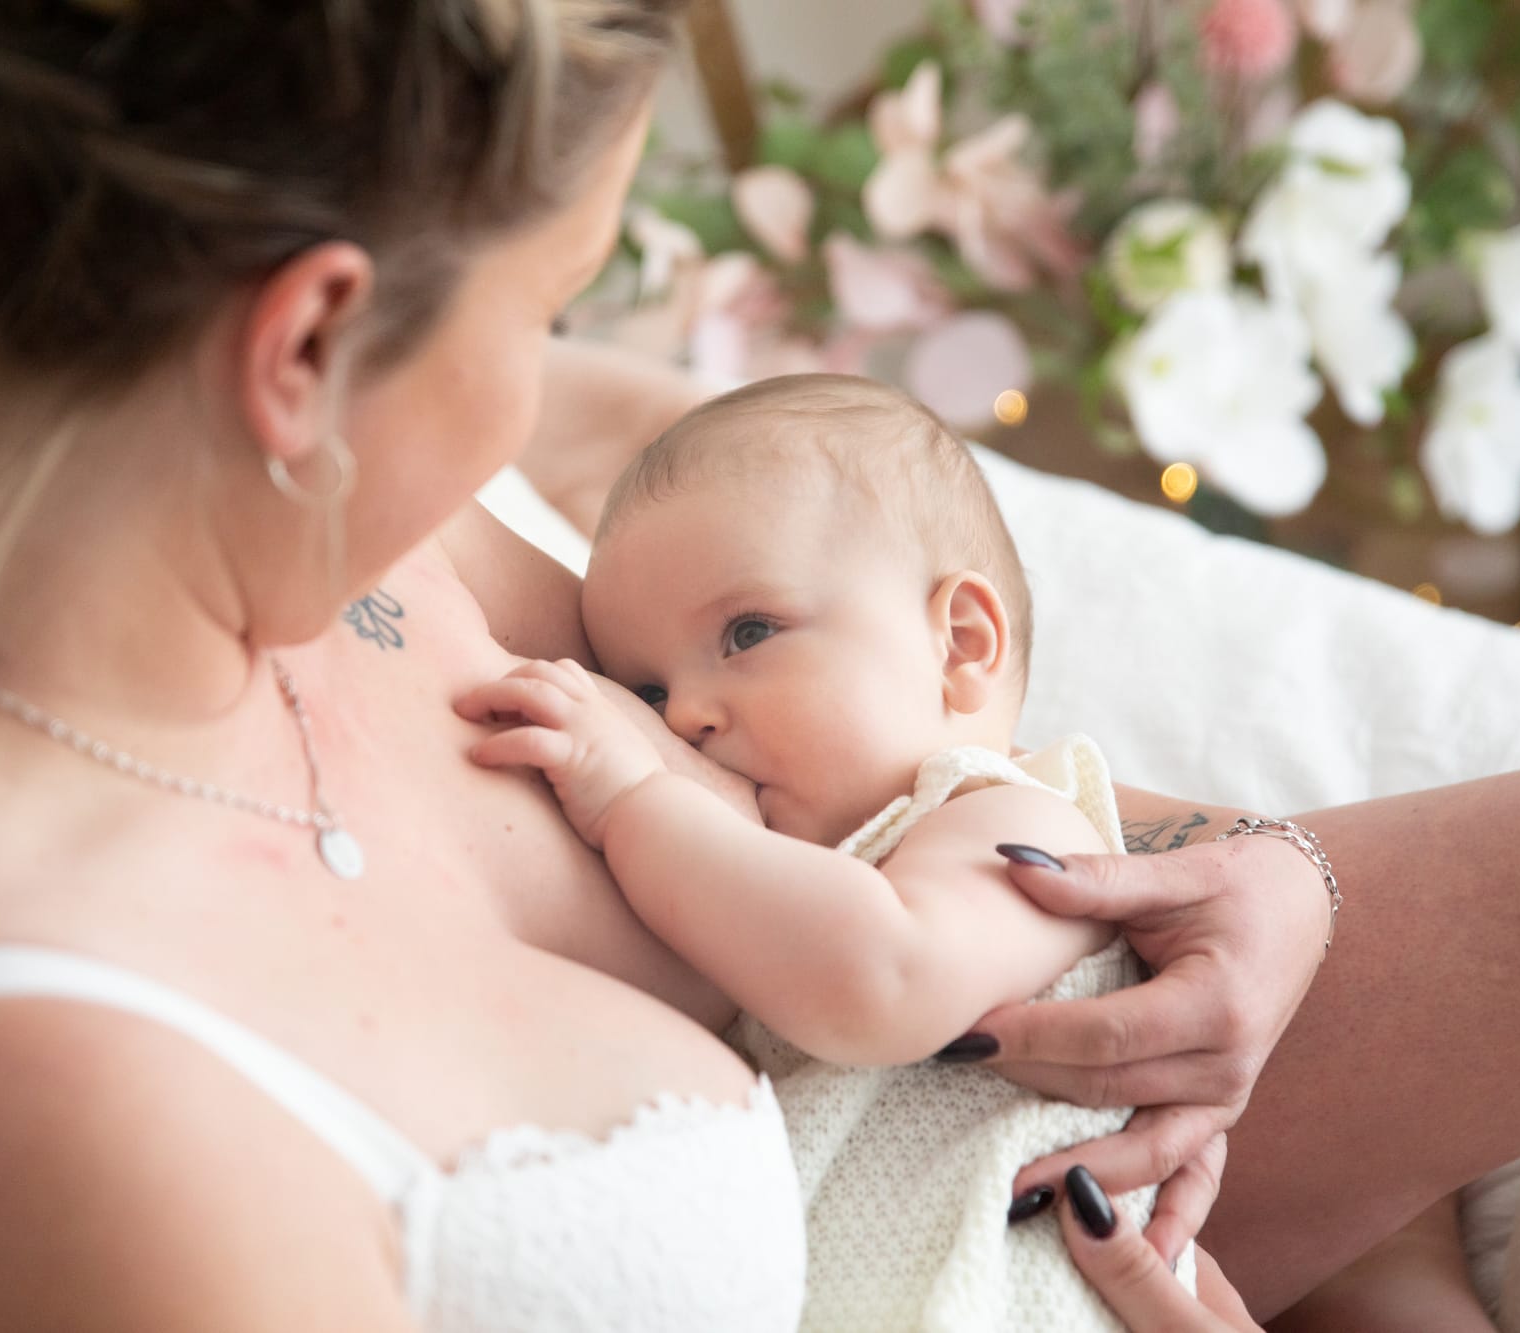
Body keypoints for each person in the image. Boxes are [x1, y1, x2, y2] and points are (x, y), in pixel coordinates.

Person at [0, 1, 1520, 1330]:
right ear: (301, 347)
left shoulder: (57, 396)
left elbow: (875, 743)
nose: (569, 397)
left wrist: (1239, 859)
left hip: (1033, 1133)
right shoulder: (41, 1134)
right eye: (555, 301)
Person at [458, 372, 1200, 1331]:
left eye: (748, 631)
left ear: (960, 643)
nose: (684, 714)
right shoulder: (799, 880)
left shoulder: (1019, 823)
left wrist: (636, 798)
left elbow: (881, 979)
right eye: (644, 693)